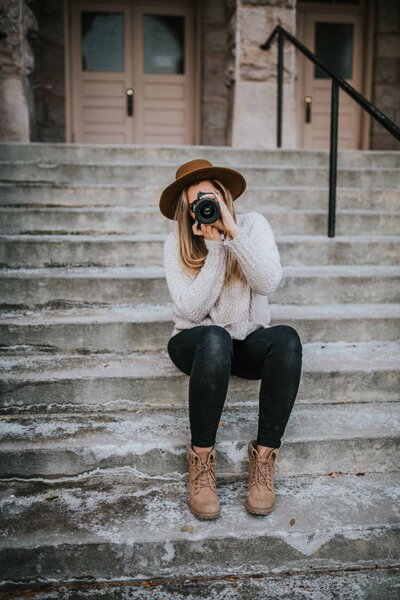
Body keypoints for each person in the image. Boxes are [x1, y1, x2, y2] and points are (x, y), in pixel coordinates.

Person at [159, 158, 302, 520]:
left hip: (245, 340)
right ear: (187, 209)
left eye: (209, 197)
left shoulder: (253, 226)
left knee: (286, 339)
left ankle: (265, 458)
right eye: (196, 202)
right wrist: (215, 251)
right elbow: (191, 311)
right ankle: (201, 461)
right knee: (215, 337)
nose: (204, 206)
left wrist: (233, 235)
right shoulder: (177, 243)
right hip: (195, 343)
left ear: (222, 195)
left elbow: (268, 283)